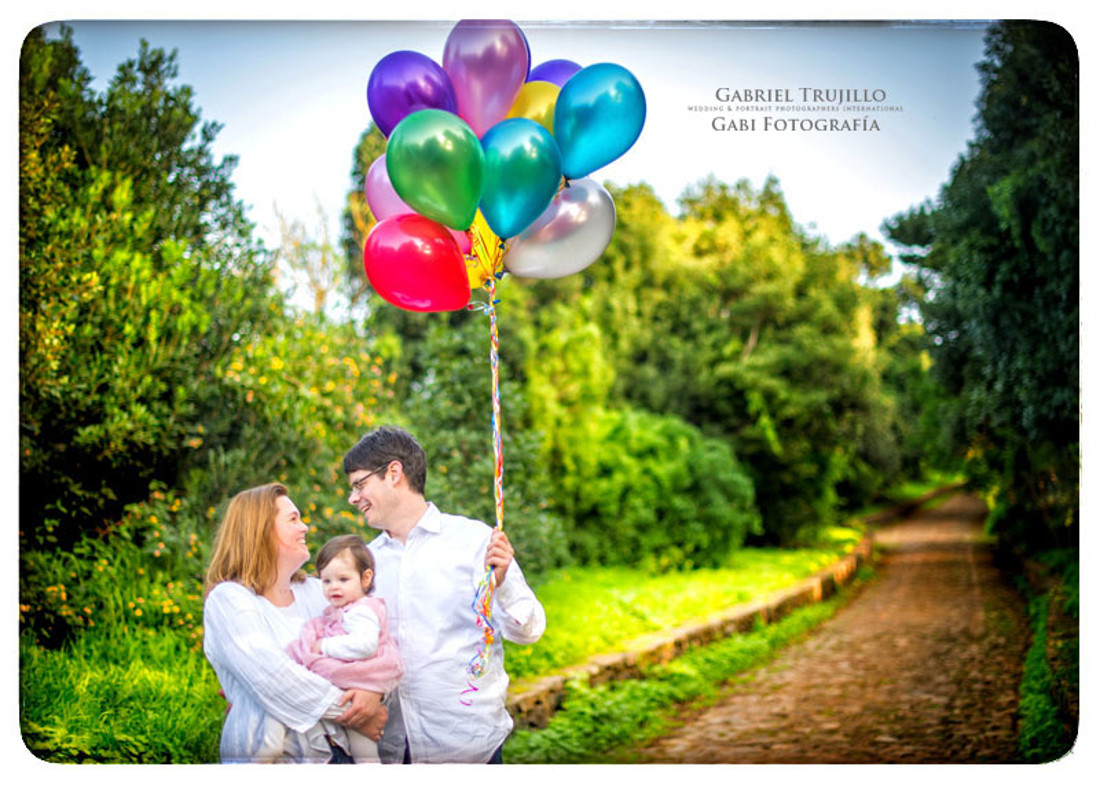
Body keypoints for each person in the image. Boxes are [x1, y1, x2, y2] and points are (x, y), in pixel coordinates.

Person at [343, 425, 546, 764]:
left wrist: (503, 584)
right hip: (390, 750)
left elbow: (530, 631)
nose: (353, 498)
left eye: (359, 485)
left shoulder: (475, 542)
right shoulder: (364, 563)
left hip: (469, 748)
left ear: (394, 473)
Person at [202, 483, 388, 763]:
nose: (305, 528)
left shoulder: (315, 591)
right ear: (261, 530)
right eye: (293, 519)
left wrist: (373, 694)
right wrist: (358, 712)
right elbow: (273, 676)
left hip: (341, 753)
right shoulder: (229, 599)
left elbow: (372, 644)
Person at [285, 534, 404, 763]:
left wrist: (324, 646)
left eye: (343, 579)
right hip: (354, 687)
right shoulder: (345, 609)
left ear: (366, 578)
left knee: (364, 751)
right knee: (358, 745)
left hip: (362, 682)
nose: (334, 587)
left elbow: (365, 645)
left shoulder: (361, 611)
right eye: (326, 581)